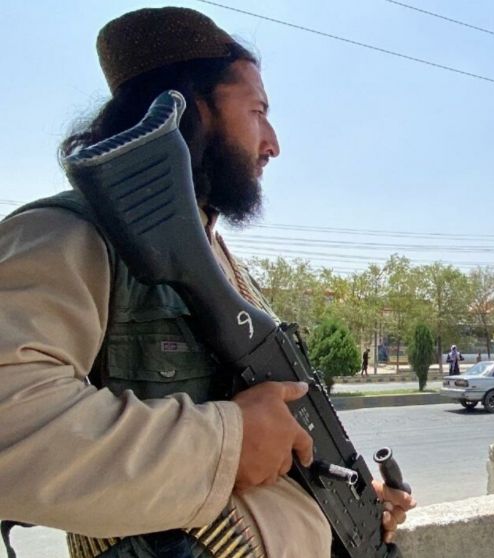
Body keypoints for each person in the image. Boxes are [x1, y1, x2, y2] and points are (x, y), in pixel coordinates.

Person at [0, 7, 413, 557]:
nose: (273, 143)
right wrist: (227, 443)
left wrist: (346, 499)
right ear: (193, 109)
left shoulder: (215, 257)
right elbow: (14, 424)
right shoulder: (68, 234)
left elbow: (270, 443)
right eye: (257, 111)